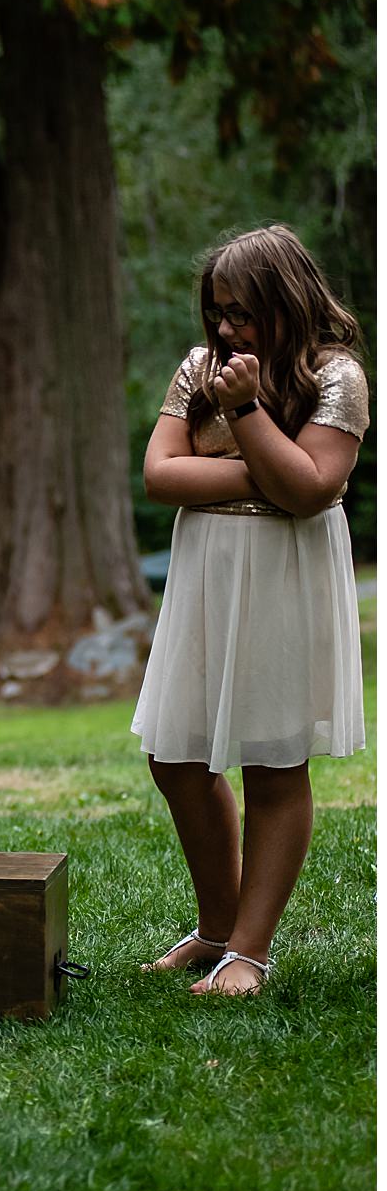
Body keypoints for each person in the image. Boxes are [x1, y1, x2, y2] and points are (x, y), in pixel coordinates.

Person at [131, 224, 369, 995]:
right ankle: (217, 927)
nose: (227, 328)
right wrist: (273, 475)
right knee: (175, 756)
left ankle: (251, 950)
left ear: (286, 301)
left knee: (273, 760)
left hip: (283, 579)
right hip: (206, 573)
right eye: (219, 311)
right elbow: (162, 476)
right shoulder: (200, 366)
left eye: (243, 312)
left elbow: (311, 490)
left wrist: (248, 422)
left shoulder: (337, 376)